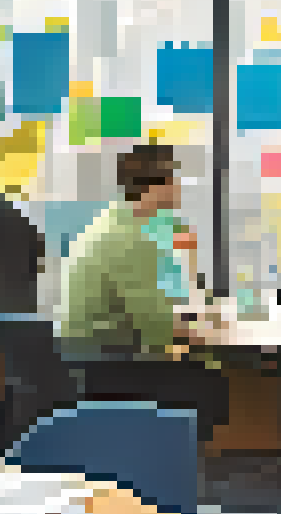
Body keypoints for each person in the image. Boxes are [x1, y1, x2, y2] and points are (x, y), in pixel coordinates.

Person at [56, 145, 230, 440]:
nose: (178, 188)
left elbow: (153, 306)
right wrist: (213, 334)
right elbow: (155, 319)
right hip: (109, 365)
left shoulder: (115, 223)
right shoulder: (129, 237)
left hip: (90, 360)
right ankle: (173, 463)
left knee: (198, 364)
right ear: (157, 185)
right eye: (173, 179)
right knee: (210, 381)